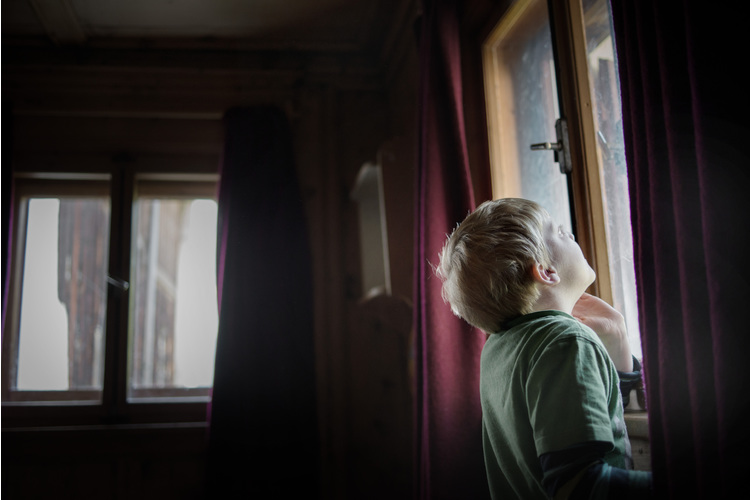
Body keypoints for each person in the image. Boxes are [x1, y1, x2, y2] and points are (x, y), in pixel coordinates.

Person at [436, 198, 652, 499]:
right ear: (546, 272)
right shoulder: (566, 342)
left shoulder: (500, 348)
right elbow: (579, 486)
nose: (572, 235)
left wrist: (616, 338)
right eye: (561, 232)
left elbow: (603, 405)